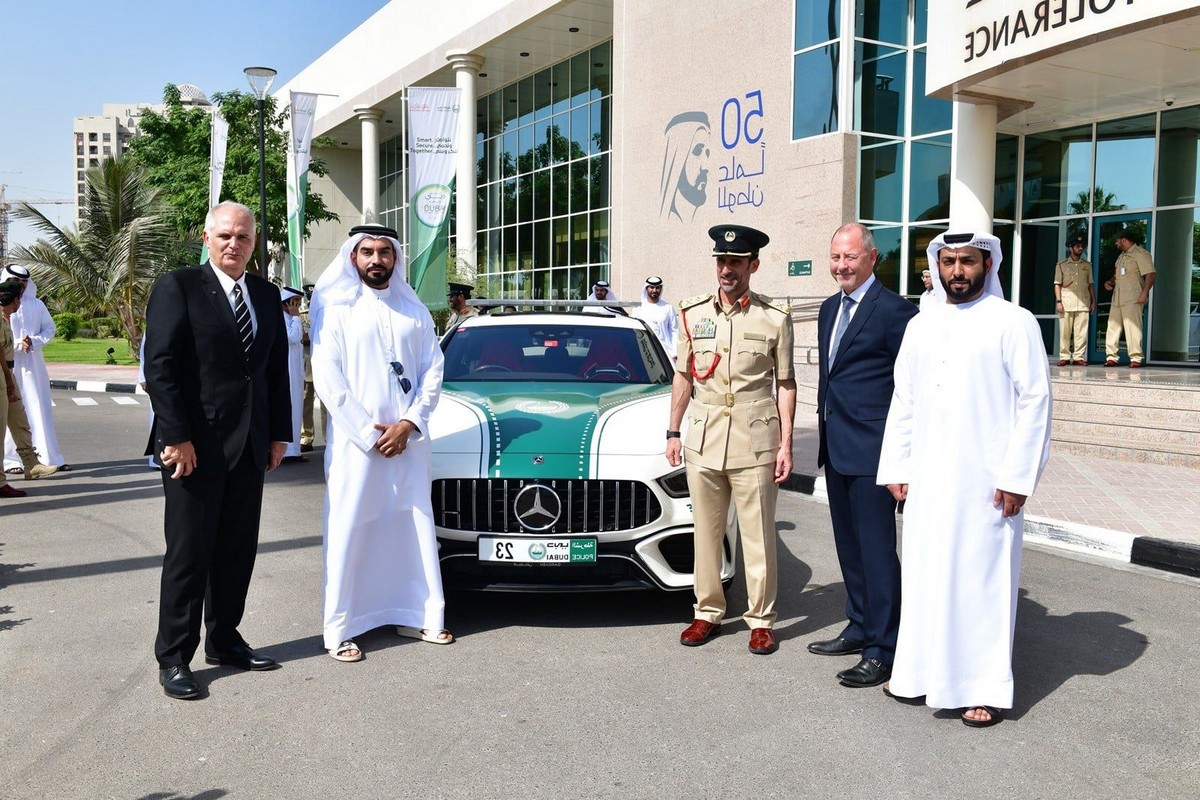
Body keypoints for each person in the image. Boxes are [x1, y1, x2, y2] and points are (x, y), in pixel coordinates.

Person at [877, 231, 1052, 728]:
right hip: (929, 480)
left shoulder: (1013, 323)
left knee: (982, 583)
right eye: (948, 261)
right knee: (926, 576)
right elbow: (904, 398)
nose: (957, 270)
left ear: (987, 264)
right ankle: (917, 673)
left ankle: (983, 689)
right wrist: (897, 465)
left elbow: (1036, 401)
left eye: (967, 261)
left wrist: (1018, 476)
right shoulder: (922, 325)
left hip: (987, 484)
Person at [143, 201, 292, 700]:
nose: (234, 244)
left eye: (243, 237)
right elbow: (160, 368)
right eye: (225, 235)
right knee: (189, 554)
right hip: (194, 447)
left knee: (236, 552)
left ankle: (225, 641)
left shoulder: (266, 295)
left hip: (250, 446)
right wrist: (175, 436)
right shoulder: (178, 287)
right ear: (206, 238)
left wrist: (278, 435)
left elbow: (274, 371)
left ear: (255, 244)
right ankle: (174, 658)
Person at [310, 224, 451, 663]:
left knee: (410, 524)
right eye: (367, 252)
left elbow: (433, 371)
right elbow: (330, 382)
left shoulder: (415, 312)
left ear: (395, 258)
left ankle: (417, 612)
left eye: (384, 252)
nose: (376, 259)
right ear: (353, 257)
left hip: (409, 444)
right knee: (352, 527)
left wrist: (408, 423)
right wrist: (370, 434)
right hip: (359, 448)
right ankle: (341, 629)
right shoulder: (337, 311)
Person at [666, 224, 796, 656]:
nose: (726, 269)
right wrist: (672, 430)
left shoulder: (774, 317)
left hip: (755, 439)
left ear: (752, 266)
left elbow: (786, 383)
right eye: (721, 261)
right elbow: (683, 375)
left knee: (756, 534)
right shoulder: (692, 313)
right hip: (703, 439)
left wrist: (787, 444)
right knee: (705, 531)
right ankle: (707, 612)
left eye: (736, 262)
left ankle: (761, 619)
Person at [810, 223, 917, 688]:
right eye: (835, 258)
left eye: (850, 258)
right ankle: (859, 625)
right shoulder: (829, 308)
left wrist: (905, 458)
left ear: (873, 258)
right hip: (836, 447)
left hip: (876, 452)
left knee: (877, 553)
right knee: (849, 548)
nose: (841, 266)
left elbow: (909, 391)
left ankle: (883, 648)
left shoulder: (897, 312)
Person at [2, 266, 68, 474]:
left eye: (23, 283)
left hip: (34, 367)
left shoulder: (36, 305)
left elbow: (49, 329)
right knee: (9, 415)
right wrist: (17, 344)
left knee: (38, 410)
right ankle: (11, 461)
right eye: (14, 281)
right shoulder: (3, 304)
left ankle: (48, 457)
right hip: (8, 366)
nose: (19, 287)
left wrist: (34, 341)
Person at [1104, 228, 1155, 368]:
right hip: (1118, 298)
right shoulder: (1121, 256)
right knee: (1112, 327)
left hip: (1133, 297)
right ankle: (1111, 357)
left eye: (1117, 240)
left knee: (1132, 328)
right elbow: (1118, 275)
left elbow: (1150, 274)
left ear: (1124, 240)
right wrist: (1110, 282)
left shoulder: (1141, 254)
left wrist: (1144, 293)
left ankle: (1136, 358)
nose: (1116, 243)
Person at [1054, 234, 1095, 366]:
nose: (1080, 248)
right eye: (1077, 246)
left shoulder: (1087, 266)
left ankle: (1079, 357)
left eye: (1081, 246)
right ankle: (1064, 356)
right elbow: (1057, 284)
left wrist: (1093, 301)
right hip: (1066, 303)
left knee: (1081, 333)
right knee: (1065, 332)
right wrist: (1058, 302)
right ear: (1071, 248)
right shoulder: (1061, 265)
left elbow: (1090, 285)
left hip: (1083, 303)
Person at [279, 286, 307, 463]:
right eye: (294, 302)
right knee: (288, 410)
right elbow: (293, 337)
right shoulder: (282, 317)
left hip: (296, 373)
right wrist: (296, 317)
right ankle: (286, 451)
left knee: (296, 411)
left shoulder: (291, 317)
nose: (296, 305)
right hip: (286, 372)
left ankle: (294, 450)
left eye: (298, 302)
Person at [632, 275, 680, 359]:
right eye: (651, 287)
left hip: (666, 352)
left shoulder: (668, 307)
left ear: (661, 289)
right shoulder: (638, 308)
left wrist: (674, 351)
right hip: (645, 351)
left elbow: (675, 331)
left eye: (657, 288)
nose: (654, 290)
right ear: (646, 288)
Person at [299, 283, 318, 453]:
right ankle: (306, 436)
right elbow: (301, 337)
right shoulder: (302, 316)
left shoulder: (327, 313)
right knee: (306, 401)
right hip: (308, 365)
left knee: (328, 405)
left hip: (325, 366)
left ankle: (329, 436)